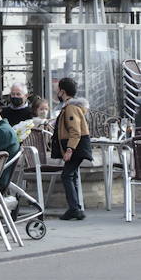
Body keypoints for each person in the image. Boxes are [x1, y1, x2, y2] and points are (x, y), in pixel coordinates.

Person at [51, 79, 91, 221]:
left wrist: (69, 149)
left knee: (66, 175)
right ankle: (76, 208)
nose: (57, 92)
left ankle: (74, 209)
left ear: (63, 91)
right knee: (71, 175)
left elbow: (75, 131)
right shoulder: (70, 107)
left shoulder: (70, 108)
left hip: (76, 148)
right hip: (77, 147)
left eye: (58, 89)